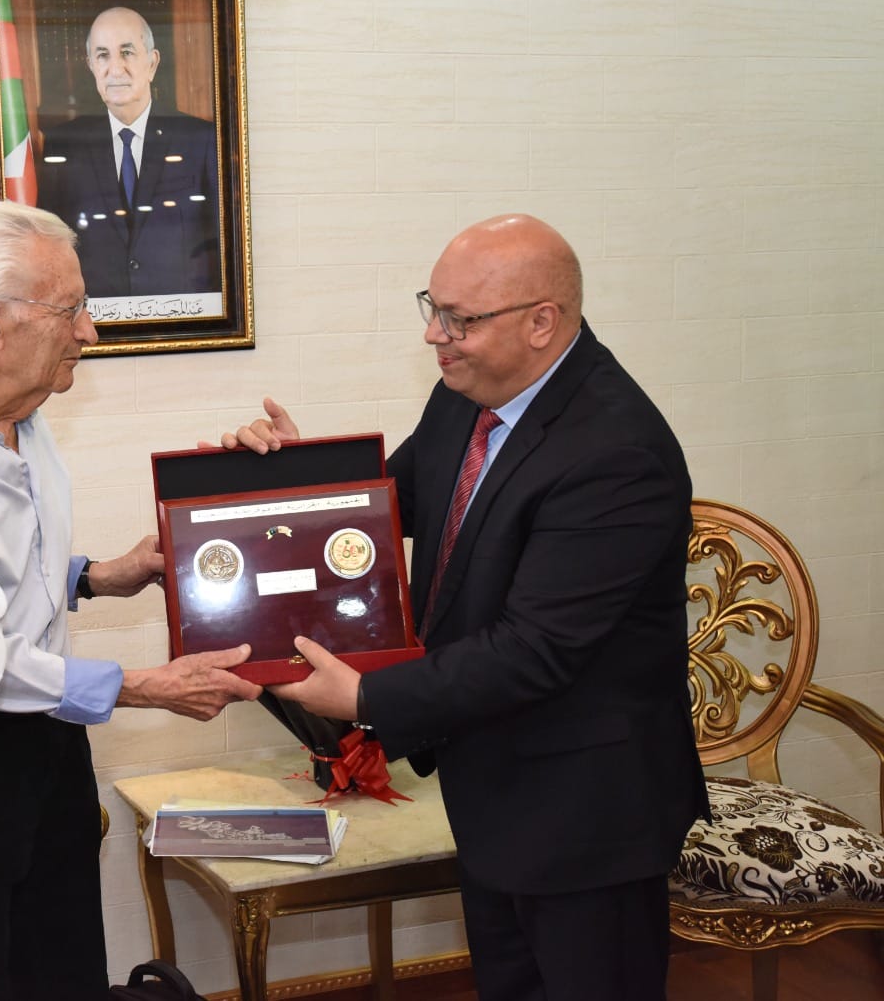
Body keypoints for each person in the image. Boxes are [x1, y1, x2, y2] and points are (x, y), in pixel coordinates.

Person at [221, 215, 709, 1001]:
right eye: (432, 307)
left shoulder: (617, 451)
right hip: (497, 790)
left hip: (589, 815)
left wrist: (365, 697)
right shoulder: (470, 396)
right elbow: (384, 510)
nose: (433, 336)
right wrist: (292, 479)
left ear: (542, 322)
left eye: (459, 319)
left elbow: (535, 649)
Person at [0, 201, 261, 1001]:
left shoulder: (22, 416)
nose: (89, 331)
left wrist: (98, 575)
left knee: (64, 970)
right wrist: (137, 686)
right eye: (70, 310)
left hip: (50, 741)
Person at [37, 6, 221, 300]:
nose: (115, 68)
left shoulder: (200, 140)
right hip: (97, 327)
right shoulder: (64, 144)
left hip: (183, 325)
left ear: (152, 63)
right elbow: (51, 248)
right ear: (91, 66)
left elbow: (219, 245)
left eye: (127, 52)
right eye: (103, 55)